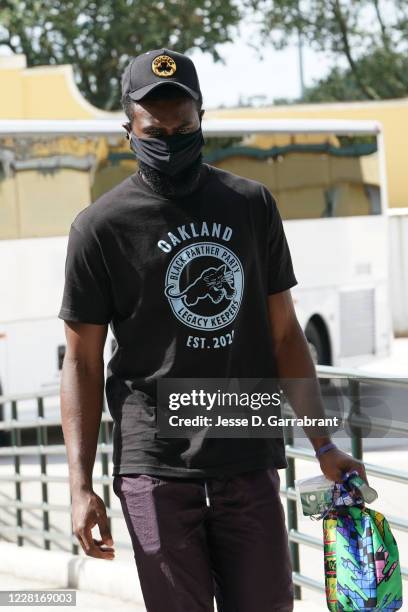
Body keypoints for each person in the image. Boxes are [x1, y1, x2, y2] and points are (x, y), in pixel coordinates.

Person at [58, 48, 367, 612]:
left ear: (203, 120)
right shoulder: (100, 228)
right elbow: (81, 362)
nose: (170, 140)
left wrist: (324, 441)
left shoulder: (251, 206)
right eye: (156, 128)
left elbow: (285, 336)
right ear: (129, 125)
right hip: (154, 463)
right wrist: (80, 486)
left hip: (244, 450)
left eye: (185, 127)